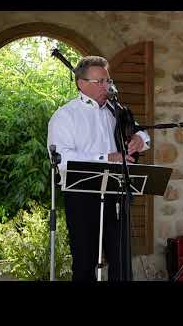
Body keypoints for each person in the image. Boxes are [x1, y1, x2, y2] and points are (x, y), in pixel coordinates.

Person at [47, 56, 150, 281]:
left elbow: (142, 132)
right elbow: (62, 159)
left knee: (121, 263)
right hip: (82, 196)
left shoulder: (116, 111)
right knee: (85, 262)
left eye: (108, 80)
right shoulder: (65, 115)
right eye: (100, 82)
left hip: (117, 194)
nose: (107, 86)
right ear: (81, 83)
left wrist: (141, 139)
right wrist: (106, 157)